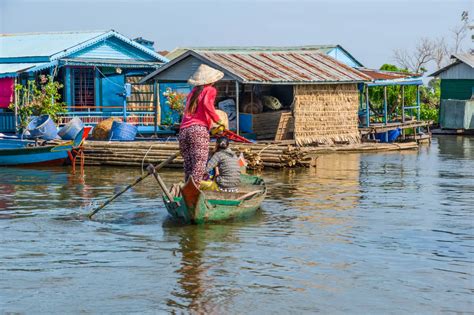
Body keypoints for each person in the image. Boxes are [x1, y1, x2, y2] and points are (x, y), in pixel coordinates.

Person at [179, 64, 226, 185]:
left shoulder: (193, 91)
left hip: (184, 131)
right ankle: (193, 191)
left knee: (189, 164)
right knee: (199, 164)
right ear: (212, 80)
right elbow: (207, 105)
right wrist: (217, 120)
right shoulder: (210, 90)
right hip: (198, 130)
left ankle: (187, 189)